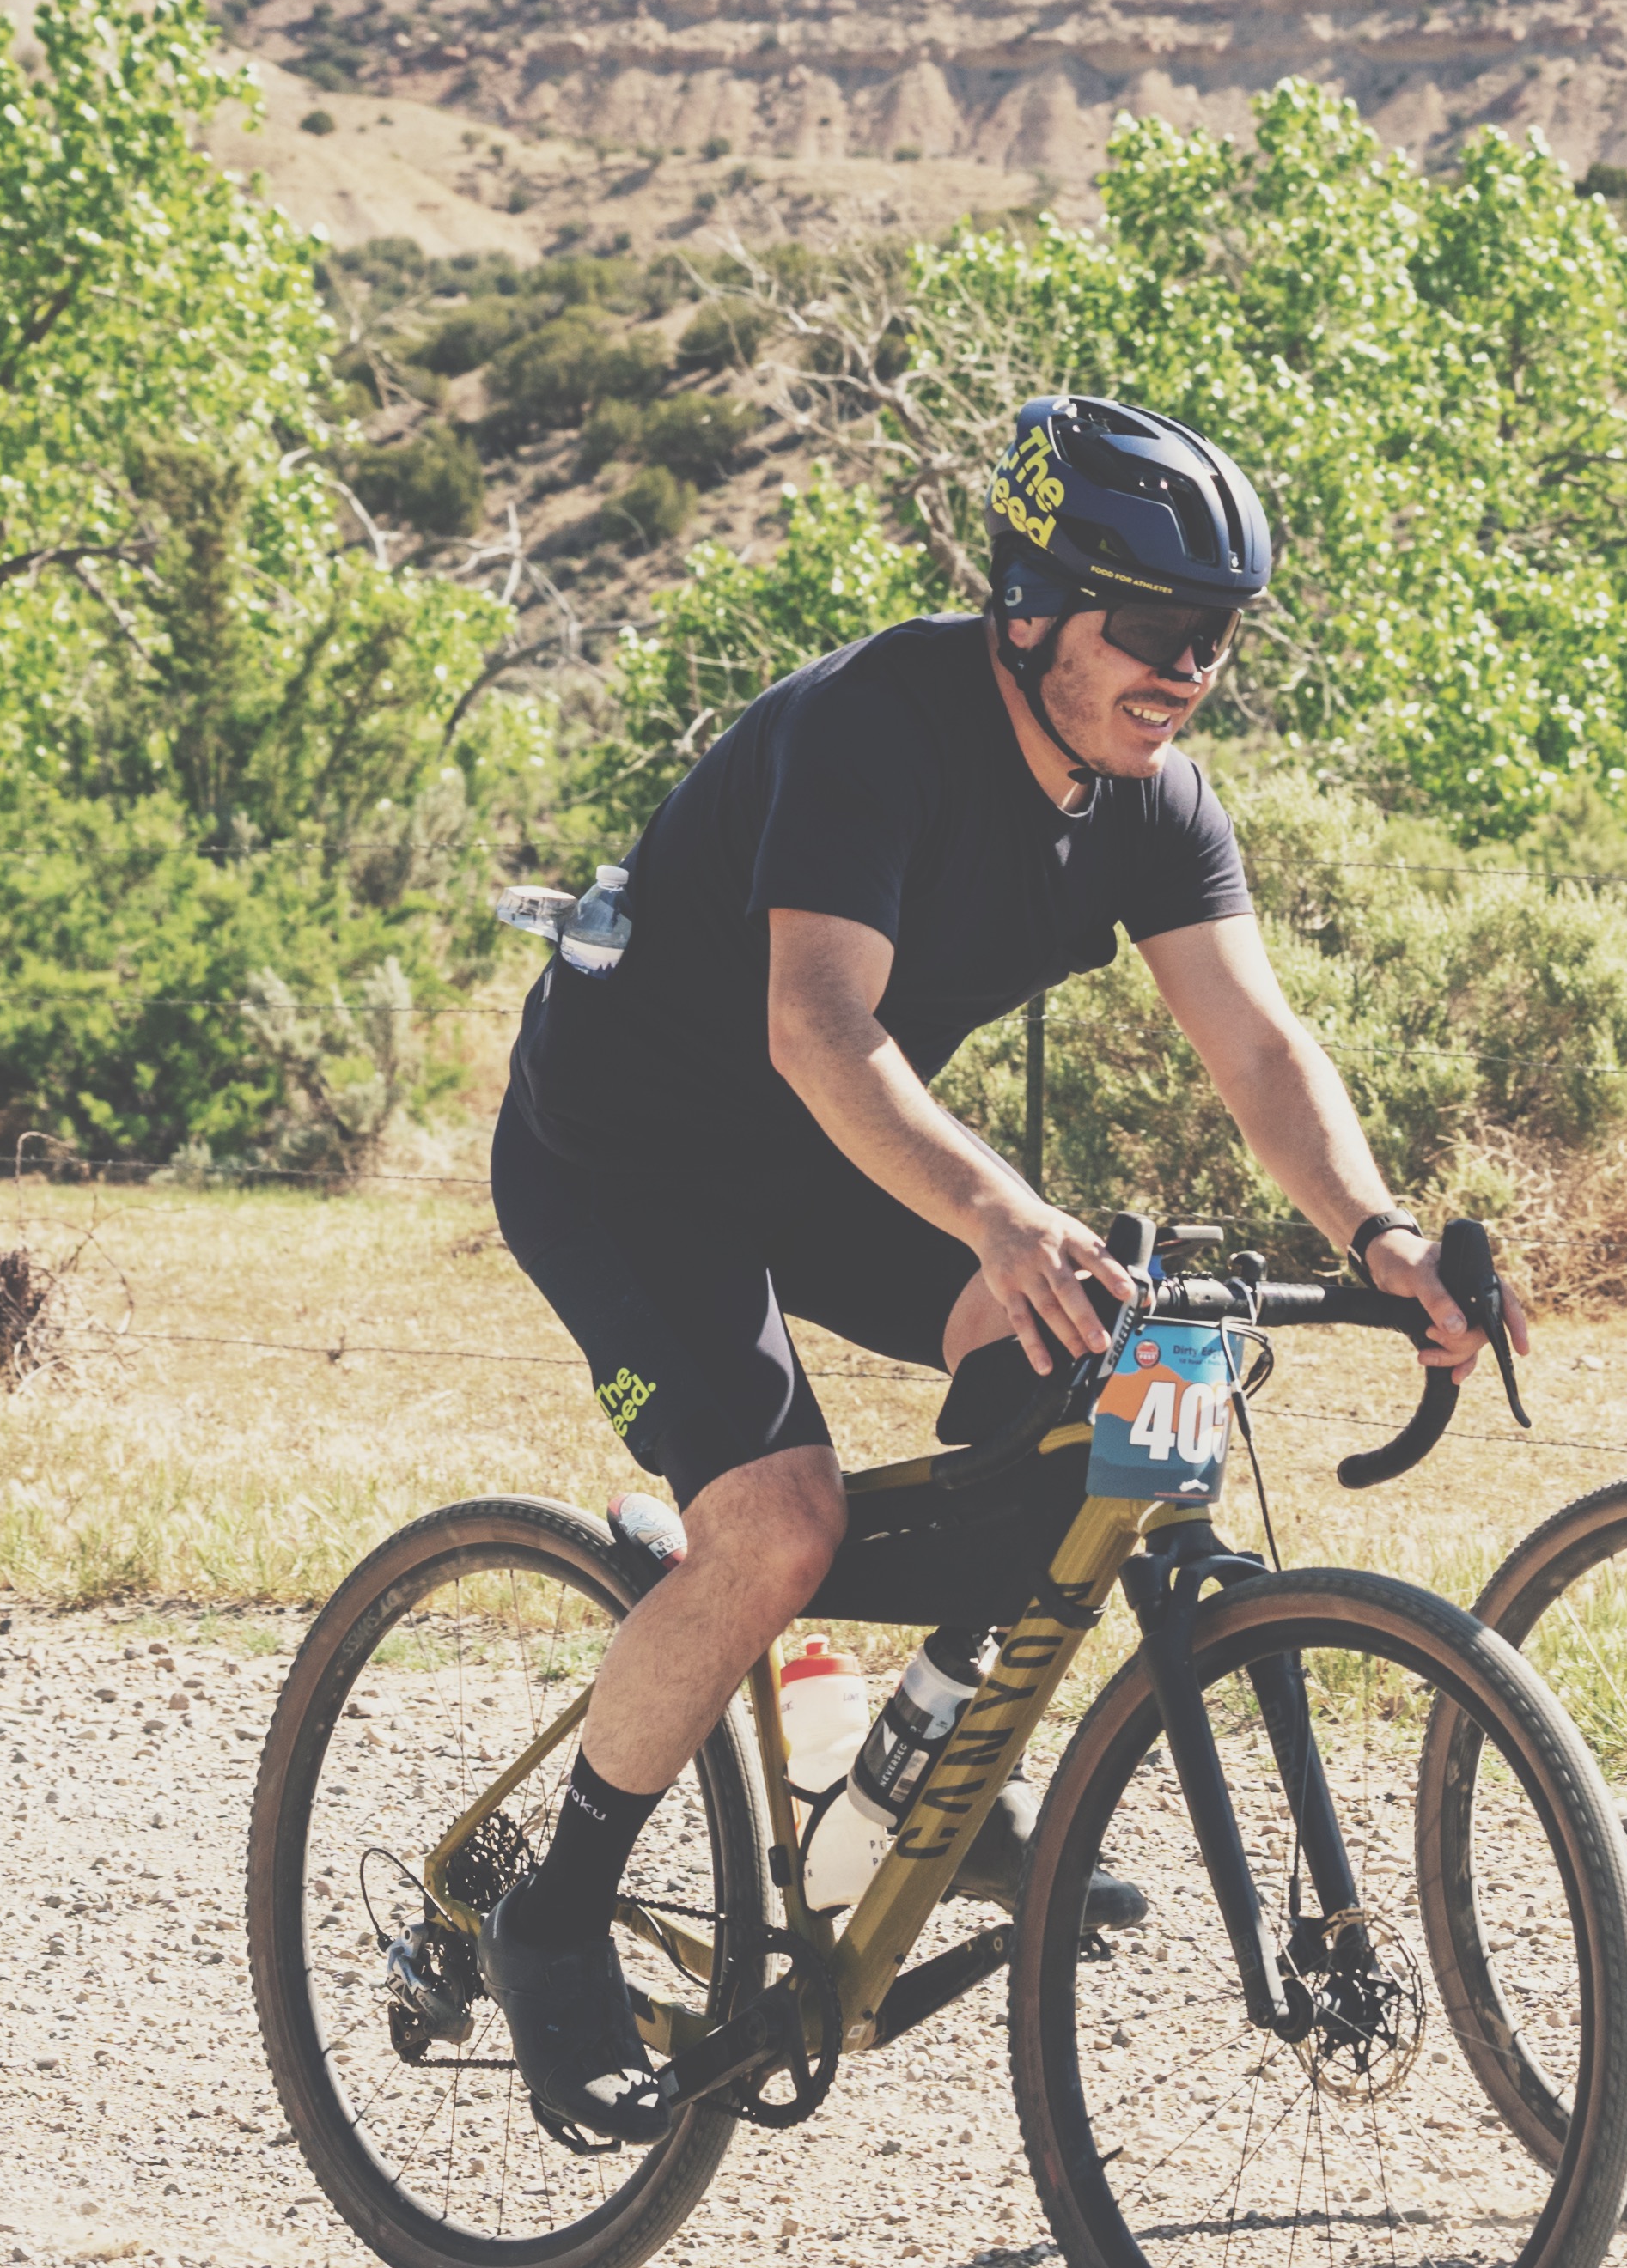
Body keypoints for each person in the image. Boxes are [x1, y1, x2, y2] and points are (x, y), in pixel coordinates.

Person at [481, 393, 1528, 2151]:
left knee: (1088, 1351)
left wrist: (1383, 1235)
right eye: (1155, 631)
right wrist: (992, 1206)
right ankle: (554, 1912)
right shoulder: (874, 733)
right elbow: (816, 1024)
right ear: (1035, 605)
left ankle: (924, 1769)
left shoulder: (1153, 802)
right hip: (627, 1152)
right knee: (782, 1519)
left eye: (1218, 638)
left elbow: (1262, 1052)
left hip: (819, 1154)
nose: (1189, 671)